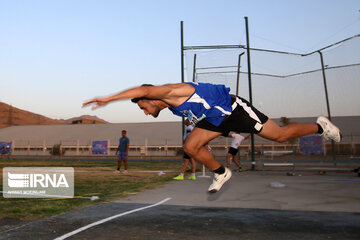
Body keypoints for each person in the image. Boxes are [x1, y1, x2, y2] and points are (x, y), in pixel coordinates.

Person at [83, 82, 342, 193]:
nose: (147, 113)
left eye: (145, 108)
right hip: (217, 121)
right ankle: (222, 172)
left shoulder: (172, 92)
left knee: (280, 136)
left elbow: (146, 88)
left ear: (151, 99)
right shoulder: (174, 107)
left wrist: (109, 98)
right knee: (191, 146)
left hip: (234, 110)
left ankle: (320, 127)